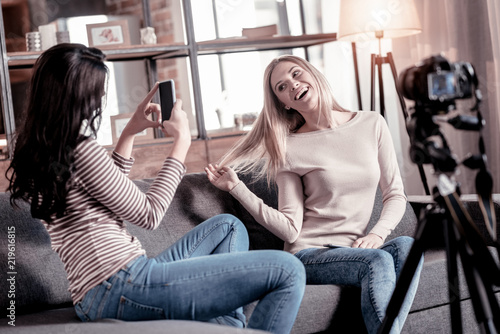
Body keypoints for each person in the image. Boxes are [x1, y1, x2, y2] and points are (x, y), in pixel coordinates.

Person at [6, 44, 306, 334]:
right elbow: (149, 215)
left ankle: (225, 325)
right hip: (122, 284)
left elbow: (105, 188)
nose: (98, 101)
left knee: (228, 227)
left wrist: (130, 131)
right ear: (80, 96)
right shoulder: (80, 149)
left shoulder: (36, 147)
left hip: (98, 291)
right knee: (288, 270)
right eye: (96, 93)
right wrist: (181, 144)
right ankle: (228, 325)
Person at [205, 54, 424, 334]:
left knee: (408, 246)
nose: (292, 85)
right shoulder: (291, 148)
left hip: (351, 249)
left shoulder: (372, 124)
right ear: (283, 103)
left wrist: (376, 234)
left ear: (313, 73)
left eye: (296, 75)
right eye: (282, 87)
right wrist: (238, 189)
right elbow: (290, 230)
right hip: (309, 255)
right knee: (379, 260)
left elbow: (395, 194)